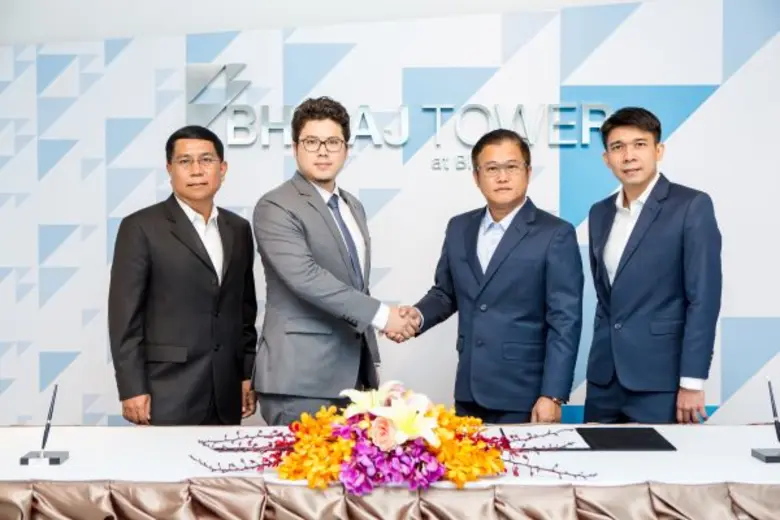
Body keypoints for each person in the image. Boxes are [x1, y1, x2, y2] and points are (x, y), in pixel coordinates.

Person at [390, 128, 584, 424]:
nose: (502, 177)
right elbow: (446, 293)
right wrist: (416, 317)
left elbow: (565, 320)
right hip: (469, 389)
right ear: (476, 176)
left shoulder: (555, 233)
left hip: (526, 393)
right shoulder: (459, 227)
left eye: (511, 167)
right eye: (492, 168)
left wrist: (553, 394)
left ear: (528, 172)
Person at [251, 96, 418, 426]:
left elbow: (354, 283)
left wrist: (387, 323)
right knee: (300, 462)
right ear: (295, 148)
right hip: (300, 380)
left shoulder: (352, 205)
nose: (323, 151)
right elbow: (306, 277)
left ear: (346, 149)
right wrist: (383, 316)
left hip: (353, 377)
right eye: (311, 142)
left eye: (332, 142)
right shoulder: (275, 205)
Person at [108, 125, 258, 426]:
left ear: (222, 168)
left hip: (226, 389)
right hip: (167, 389)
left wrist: (246, 374)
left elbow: (244, 311)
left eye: (206, 160)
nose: (196, 170)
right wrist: (132, 387)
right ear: (169, 169)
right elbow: (125, 318)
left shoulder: (239, 229)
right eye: (185, 161)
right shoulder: (140, 227)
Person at [584, 106, 722, 424]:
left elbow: (703, 299)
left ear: (658, 150)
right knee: (596, 457)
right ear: (606, 158)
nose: (629, 156)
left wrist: (692, 381)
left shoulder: (691, 206)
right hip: (604, 381)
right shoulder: (599, 212)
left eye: (639, 144)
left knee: (658, 459)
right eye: (618, 147)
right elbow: (607, 298)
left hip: (662, 381)